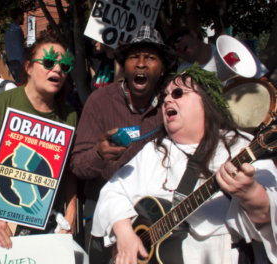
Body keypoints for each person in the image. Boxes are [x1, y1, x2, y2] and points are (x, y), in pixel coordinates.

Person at [92, 63, 277, 264]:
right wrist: (124, 231)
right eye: (166, 95)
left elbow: (269, 218)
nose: (168, 99)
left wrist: (252, 196)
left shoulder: (241, 147)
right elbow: (113, 192)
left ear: (207, 103)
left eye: (179, 93)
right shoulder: (153, 151)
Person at [70, 25, 176, 263]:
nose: (141, 64)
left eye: (150, 58)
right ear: (124, 66)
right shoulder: (100, 101)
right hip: (103, 209)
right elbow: (77, 166)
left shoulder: (171, 103)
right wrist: (99, 154)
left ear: (162, 69)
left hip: (153, 214)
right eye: (134, 57)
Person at [0, 34, 78, 248]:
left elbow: (68, 171)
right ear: (28, 67)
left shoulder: (70, 116)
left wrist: (71, 215)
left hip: (48, 227)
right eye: (49, 62)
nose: (58, 70)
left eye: (64, 65)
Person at [166, 27, 268, 80]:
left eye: (178, 39)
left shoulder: (229, 47)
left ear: (193, 34)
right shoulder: (182, 73)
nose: (177, 45)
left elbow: (261, 77)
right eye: (172, 47)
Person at [4, 8, 26, 84]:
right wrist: (25, 65)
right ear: (19, 16)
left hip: (10, 65)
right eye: (22, 16)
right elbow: (20, 51)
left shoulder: (7, 32)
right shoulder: (18, 31)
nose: (23, 18)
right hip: (19, 64)